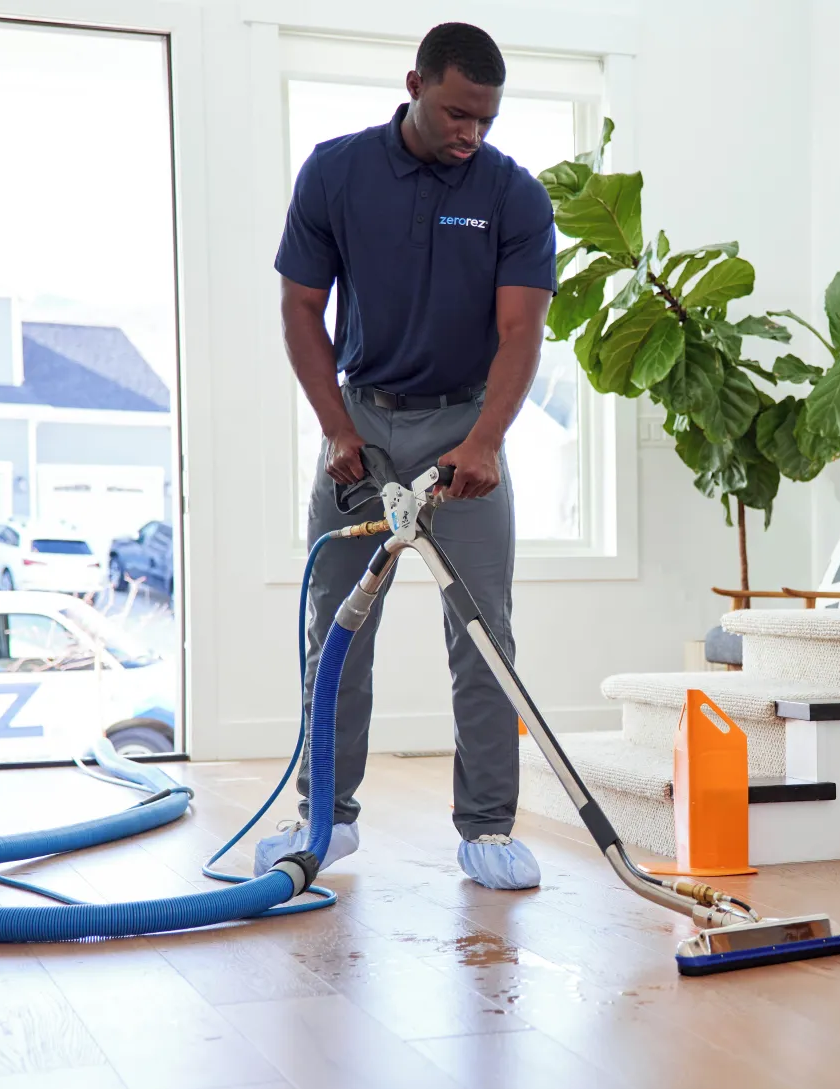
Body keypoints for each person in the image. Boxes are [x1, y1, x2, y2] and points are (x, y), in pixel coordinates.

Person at [254, 21, 555, 890]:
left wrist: (487, 440)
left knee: (484, 635)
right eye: (458, 113)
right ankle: (325, 817)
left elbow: (519, 331)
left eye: (486, 121)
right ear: (416, 82)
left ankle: (488, 829)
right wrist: (335, 429)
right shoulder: (337, 171)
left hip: (467, 428)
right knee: (336, 630)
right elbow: (302, 308)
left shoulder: (512, 194)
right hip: (363, 426)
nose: (471, 134)